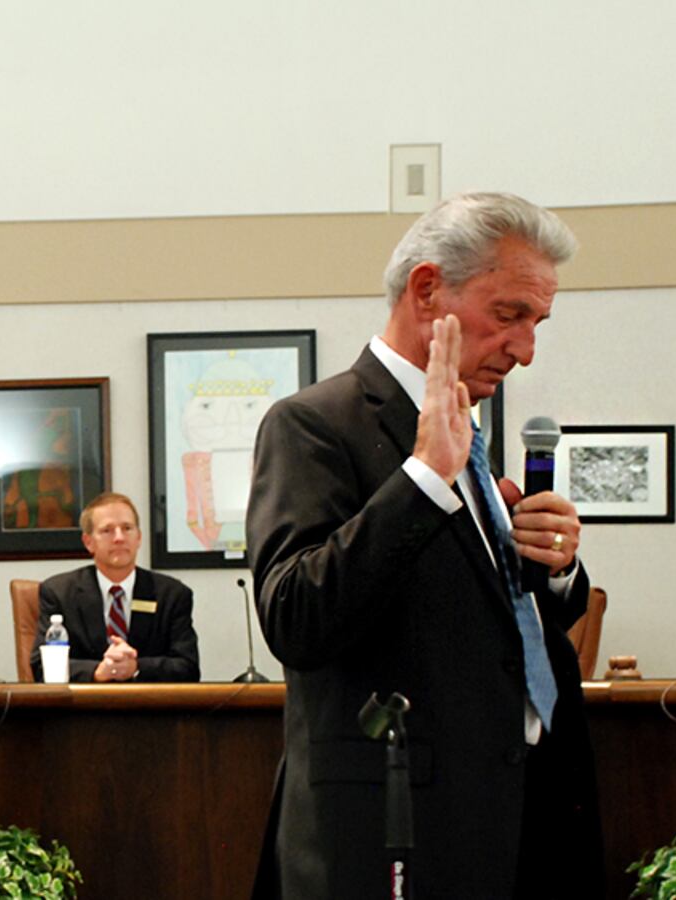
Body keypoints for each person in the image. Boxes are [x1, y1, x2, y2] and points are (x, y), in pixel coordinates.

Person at [246, 193, 602, 897]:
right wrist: (422, 479)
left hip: (523, 809)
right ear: (427, 289)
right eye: (509, 316)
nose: (526, 351)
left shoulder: (469, 432)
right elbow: (295, 617)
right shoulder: (315, 425)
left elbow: (486, 628)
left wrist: (554, 571)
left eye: (537, 323)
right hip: (397, 827)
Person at [30, 492, 200, 682]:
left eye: (127, 528)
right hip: (84, 707)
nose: (119, 537)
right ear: (88, 542)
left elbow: (188, 667)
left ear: (139, 538)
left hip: (150, 707)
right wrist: (98, 671)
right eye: (107, 530)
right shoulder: (59, 593)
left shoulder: (172, 595)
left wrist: (136, 667)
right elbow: (41, 667)